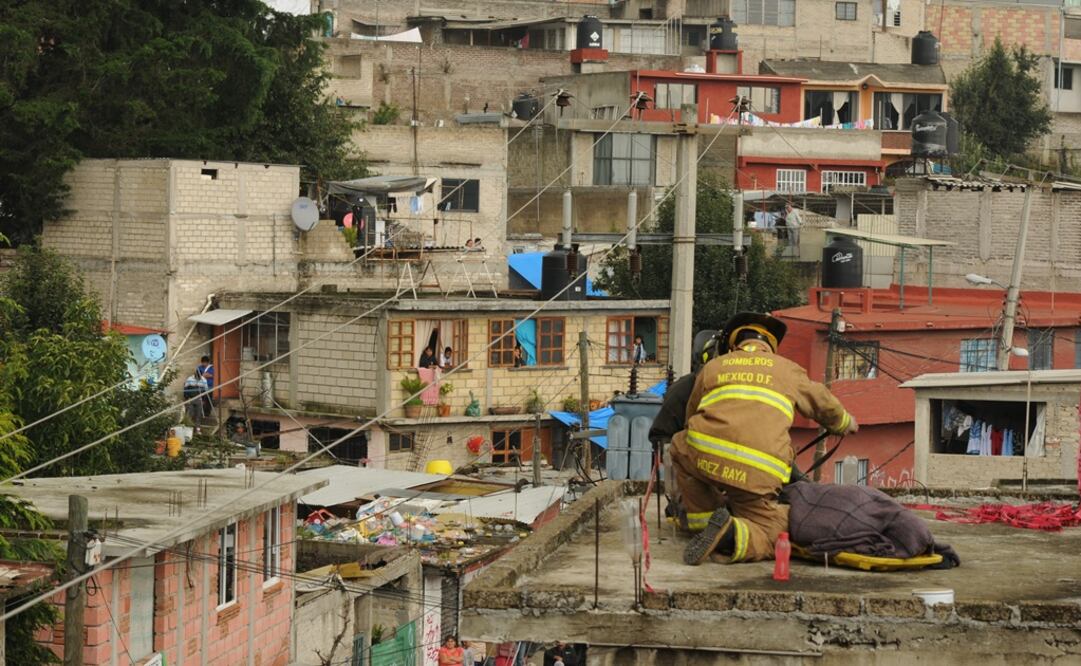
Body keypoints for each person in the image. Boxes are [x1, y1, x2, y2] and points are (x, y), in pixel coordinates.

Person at [673, 312, 858, 565]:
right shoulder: (788, 370)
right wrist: (844, 423)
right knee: (774, 533)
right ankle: (730, 535)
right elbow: (823, 403)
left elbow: (690, 417)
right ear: (770, 346)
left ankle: (704, 523)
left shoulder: (713, 367)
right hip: (757, 475)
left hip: (706, 460)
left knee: (680, 445)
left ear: (735, 344)